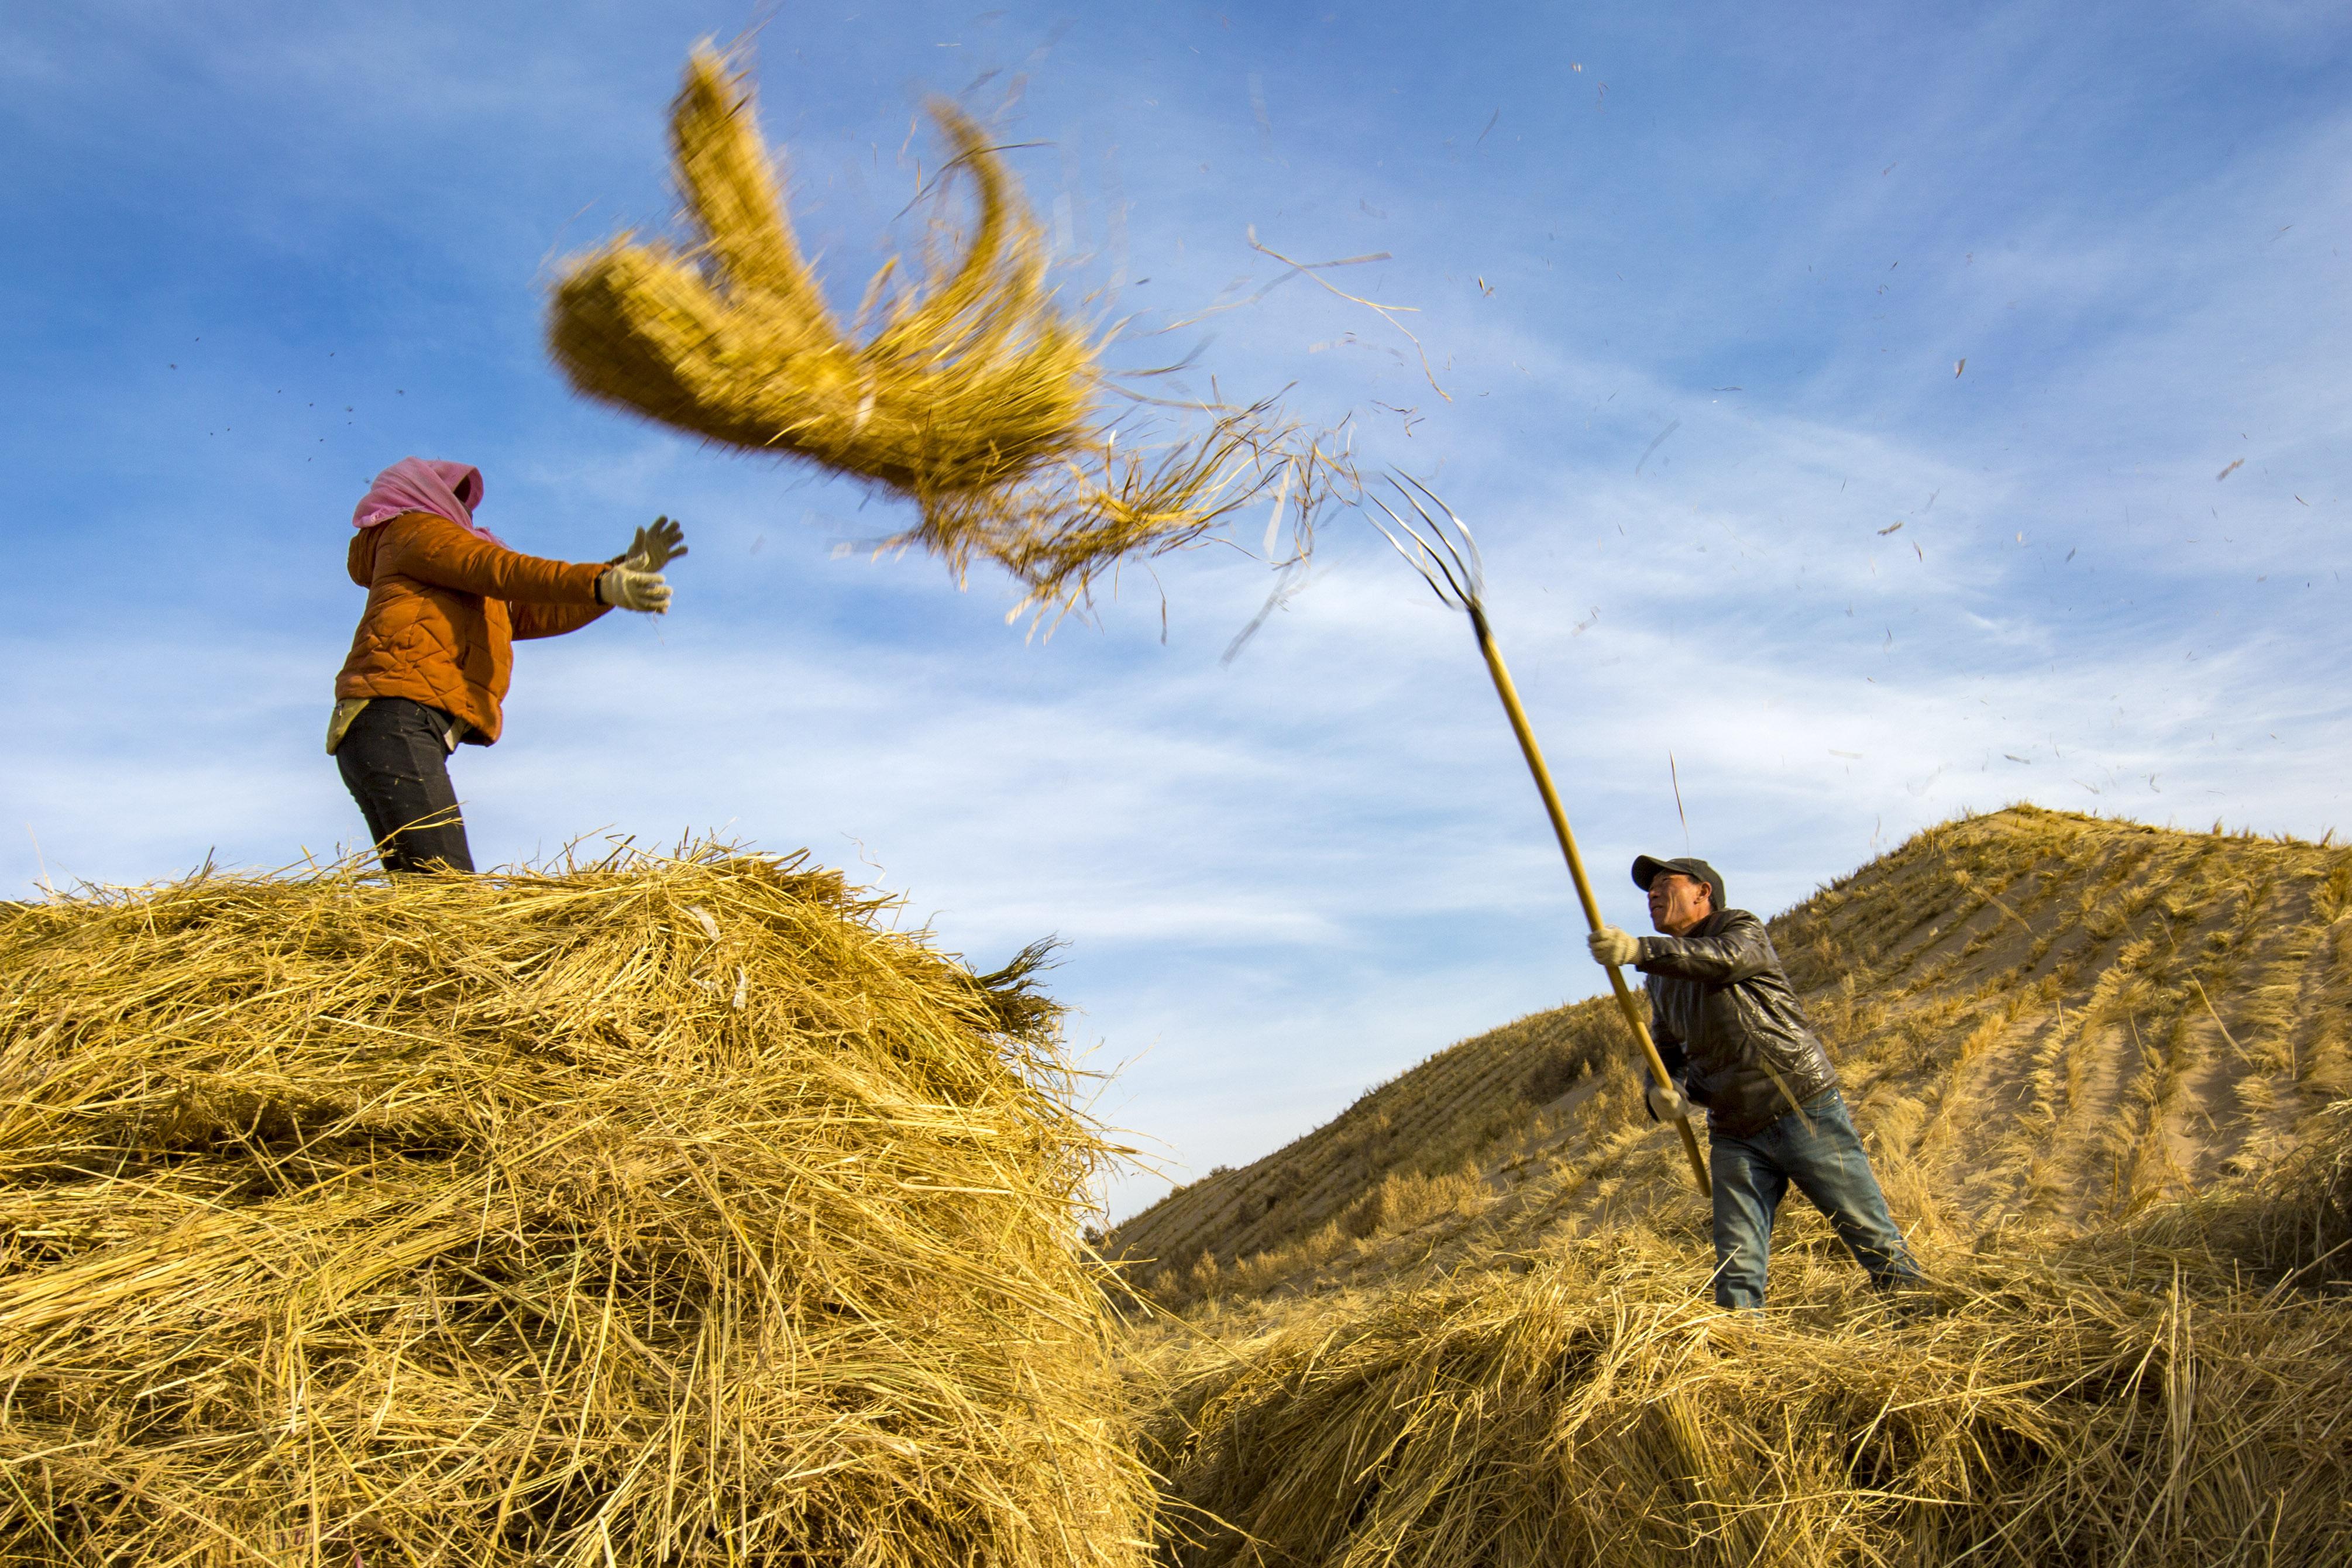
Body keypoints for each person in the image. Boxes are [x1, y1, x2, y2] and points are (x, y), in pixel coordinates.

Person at [1587, 854, 1921, 1309]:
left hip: (1800, 1106)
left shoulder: (1740, 930)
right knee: (1736, 1269)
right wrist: (1663, 1092)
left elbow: (1724, 960)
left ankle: (1920, 1313)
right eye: (1650, 888)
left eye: (1666, 882)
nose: (1653, 894)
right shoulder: (1662, 981)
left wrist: (1641, 951)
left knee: (1870, 1235)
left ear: (1703, 892)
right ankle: (1741, 1354)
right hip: (1733, 1131)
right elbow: (1666, 1053)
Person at [329, 457, 685, 873]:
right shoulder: (413, 531)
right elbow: (499, 569)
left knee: (425, 890)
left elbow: (531, 611)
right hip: (394, 718)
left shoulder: (450, 560)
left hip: (394, 725)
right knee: (448, 890)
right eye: (449, 493)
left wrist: (616, 577)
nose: (460, 507)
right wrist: (598, 581)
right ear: (418, 492)